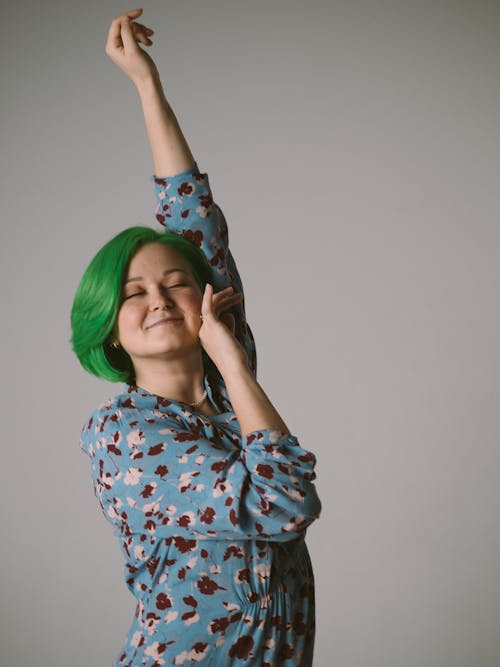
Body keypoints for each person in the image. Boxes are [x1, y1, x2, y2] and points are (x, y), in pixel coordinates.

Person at [71, 8, 321, 666]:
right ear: (110, 331)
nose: (157, 298)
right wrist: (237, 367)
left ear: (204, 298)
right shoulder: (123, 431)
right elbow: (284, 501)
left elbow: (192, 218)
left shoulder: (226, 404)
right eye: (131, 293)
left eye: (174, 283)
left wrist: (147, 85)